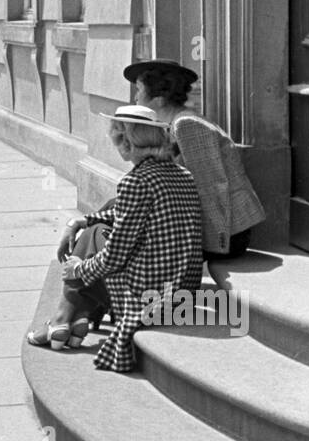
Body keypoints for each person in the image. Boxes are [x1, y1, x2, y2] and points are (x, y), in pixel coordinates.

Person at [28, 107, 203, 372]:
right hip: (182, 293)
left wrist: (76, 270)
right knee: (94, 228)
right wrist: (83, 220)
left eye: (116, 141)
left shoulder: (135, 181)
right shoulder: (182, 175)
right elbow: (131, 214)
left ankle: (63, 320)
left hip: (149, 299)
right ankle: (70, 320)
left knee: (94, 239)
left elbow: (114, 257)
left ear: (127, 142)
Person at [125, 56, 265, 259]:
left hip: (226, 236)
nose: (135, 99)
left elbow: (211, 188)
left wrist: (209, 245)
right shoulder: (175, 121)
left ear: (159, 99)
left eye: (139, 91)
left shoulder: (187, 124)